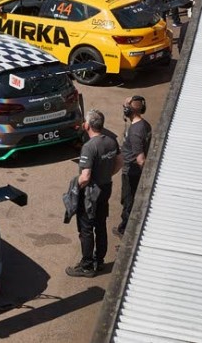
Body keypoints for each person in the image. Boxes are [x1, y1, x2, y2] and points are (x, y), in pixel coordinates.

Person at [67, 109, 122, 278]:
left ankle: (87, 266)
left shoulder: (89, 147)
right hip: (106, 188)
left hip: (91, 192)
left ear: (88, 125)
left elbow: (85, 177)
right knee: (101, 224)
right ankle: (100, 261)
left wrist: (74, 186)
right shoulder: (112, 141)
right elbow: (120, 162)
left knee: (86, 228)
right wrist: (106, 175)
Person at [116, 96, 151, 237]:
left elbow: (141, 160)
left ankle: (125, 232)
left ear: (129, 110)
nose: (123, 110)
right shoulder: (144, 124)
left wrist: (146, 178)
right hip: (133, 171)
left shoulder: (135, 131)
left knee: (128, 202)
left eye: (125, 107)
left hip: (132, 173)